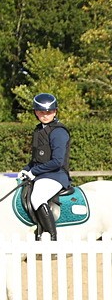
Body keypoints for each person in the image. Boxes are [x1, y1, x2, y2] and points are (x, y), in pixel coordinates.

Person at [17, 93, 71, 241]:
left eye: (49, 111)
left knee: (37, 197)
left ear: (55, 111)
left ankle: (52, 237)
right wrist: (26, 169)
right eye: (41, 112)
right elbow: (37, 159)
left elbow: (57, 161)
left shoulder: (59, 132)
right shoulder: (39, 130)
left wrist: (34, 171)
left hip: (56, 175)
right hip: (42, 174)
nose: (45, 115)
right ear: (36, 112)